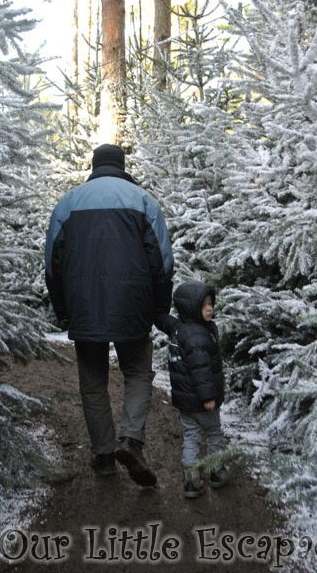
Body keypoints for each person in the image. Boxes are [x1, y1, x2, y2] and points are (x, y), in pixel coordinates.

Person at [45, 144, 174, 487]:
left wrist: (63, 311)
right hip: (134, 303)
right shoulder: (142, 200)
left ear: (94, 166)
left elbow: (52, 266)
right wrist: (161, 309)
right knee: (137, 373)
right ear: (122, 165)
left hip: (84, 306)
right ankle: (130, 440)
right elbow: (161, 262)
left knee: (93, 383)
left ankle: (103, 456)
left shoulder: (68, 203)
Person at [156, 281, 231, 498]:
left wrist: (155, 313)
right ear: (191, 308)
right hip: (202, 401)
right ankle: (215, 471)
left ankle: (190, 480)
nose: (210, 308)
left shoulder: (180, 328)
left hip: (184, 401)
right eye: (204, 305)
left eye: (211, 303)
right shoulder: (198, 335)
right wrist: (209, 397)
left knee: (191, 435)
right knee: (214, 433)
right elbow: (201, 370)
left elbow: (164, 321)